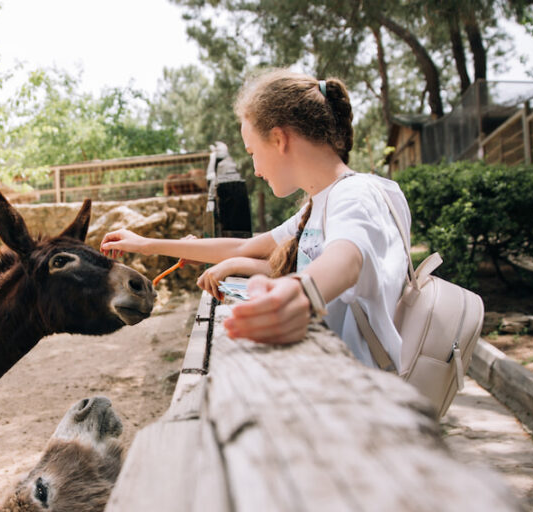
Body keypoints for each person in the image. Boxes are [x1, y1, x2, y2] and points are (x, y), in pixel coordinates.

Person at [100, 69, 412, 370]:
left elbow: (346, 262)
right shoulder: (320, 204)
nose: (256, 169)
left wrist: (293, 297)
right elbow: (243, 247)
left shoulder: (355, 194)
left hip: (358, 399)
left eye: (252, 151)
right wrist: (146, 245)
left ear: (279, 139)